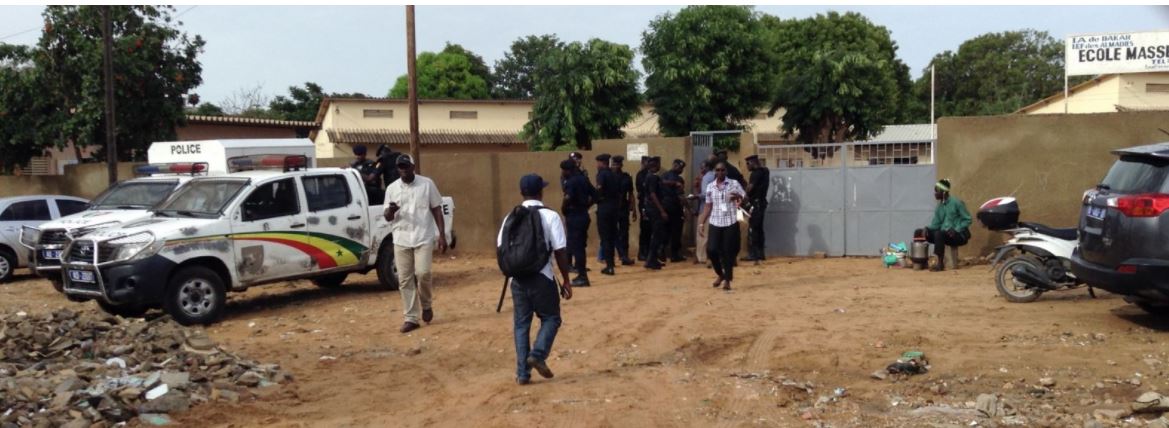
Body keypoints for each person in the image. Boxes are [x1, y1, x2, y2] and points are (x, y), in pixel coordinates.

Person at [497, 174, 573, 386]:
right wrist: (566, 280)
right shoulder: (550, 216)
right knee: (551, 318)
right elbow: (560, 251)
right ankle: (538, 354)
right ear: (541, 192)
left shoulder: (510, 217)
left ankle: (523, 374)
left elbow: (501, 249)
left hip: (517, 279)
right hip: (542, 277)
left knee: (521, 324)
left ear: (522, 192)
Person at [383, 154, 448, 333]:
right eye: (400, 167)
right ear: (398, 169)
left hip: (423, 236)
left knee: (423, 273)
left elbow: (436, 209)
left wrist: (441, 235)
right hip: (401, 238)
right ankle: (411, 318)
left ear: (413, 167)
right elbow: (387, 216)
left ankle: (426, 304)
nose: (403, 169)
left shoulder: (426, 184)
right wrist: (391, 210)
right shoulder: (392, 189)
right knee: (404, 279)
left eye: (406, 166)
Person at [699, 162, 747, 290]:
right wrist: (701, 222)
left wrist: (737, 196)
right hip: (715, 221)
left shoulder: (734, 183)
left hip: (730, 221)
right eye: (718, 170)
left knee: (727, 251)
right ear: (714, 171)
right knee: (712, 250)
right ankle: (720, 274)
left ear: (726, 171)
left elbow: (744, 197)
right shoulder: (710, 187)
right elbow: (708, 206)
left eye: (722, 170)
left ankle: (727, 280)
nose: (720, 172)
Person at [922, 179, 972, 272]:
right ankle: (921, 261)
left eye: (937, 191)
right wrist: (927, 229)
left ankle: (939, 263)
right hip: (944, 235)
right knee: (921, 232)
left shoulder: (957, 203)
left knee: (939, 234)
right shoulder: (939, 206)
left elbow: (968, 219)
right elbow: (936, 224)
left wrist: (956, 229)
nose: (935, 194)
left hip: (958, 235)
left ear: (944, 192)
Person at [561, 159, 594, 286]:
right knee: (580, 246)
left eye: (563, 170)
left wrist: (564, 209)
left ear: (567, 170)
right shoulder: (584, 179)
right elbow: (596, 195)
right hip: (583, 215)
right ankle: (581, 274)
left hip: (574, 216)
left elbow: (567, 198)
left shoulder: (571, 181)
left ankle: (582, 277)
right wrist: (586, 206)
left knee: (577, 248)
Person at [594, 154, 620, 276]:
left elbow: (599, 190)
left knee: (605, 237)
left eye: (597, 162)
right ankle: (611, 262)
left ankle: (609, 266)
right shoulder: (614, 174)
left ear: (601, 163)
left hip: (604, 208)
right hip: (614, 208)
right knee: (612, 236)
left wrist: (593, 199)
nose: (596, 165)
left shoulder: (602, 174)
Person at [642, 157, 669, 270]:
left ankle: (652, 259)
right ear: (656, 165)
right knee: (657, 234)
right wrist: (662, 210)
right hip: (654, 209)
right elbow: (653, 194)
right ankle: (651, 260)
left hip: (651, 208)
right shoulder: (652, 177)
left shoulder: (650, 177)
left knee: (657, 234)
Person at [743, 155, 770, 263]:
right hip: (761, 203)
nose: (747, 166)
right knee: (759, 229)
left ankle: (754, 254)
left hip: (756, 204)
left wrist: (744, 197)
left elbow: (750, 188)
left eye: (748, 164)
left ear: (753, 163)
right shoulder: (765, 171)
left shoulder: (756, 173)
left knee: (753, 229)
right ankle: (760, 254)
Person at [660, 159, 687, 262]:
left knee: (671, 231)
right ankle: (669, 254)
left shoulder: (670, 177)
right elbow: (680, 196)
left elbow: (681, 195)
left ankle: (669, 253)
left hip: (670, 207)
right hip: (670, 207)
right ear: (674, 165)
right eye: (680, 167)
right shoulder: (669, 177)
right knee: (671, 231)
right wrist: (674, 183)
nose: (681, 170)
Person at [612, 156, 636, 266]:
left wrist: (633, 208)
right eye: (614, 164)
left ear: (621, 165)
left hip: (623, 208)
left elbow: (631, 193)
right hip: (612, 208)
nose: (616, 166)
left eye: (618, 164)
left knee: (624, 232)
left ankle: (624, 255)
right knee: (613, 233)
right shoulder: (609, 176)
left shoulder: (626, 177)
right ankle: (618, 255)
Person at [694, 160, 717, 265]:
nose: (701, 170)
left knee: (702, 233)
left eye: (703, 167)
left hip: (705, 208)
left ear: (707, 167)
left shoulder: (706, 177)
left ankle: (702, 257)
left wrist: (695, 196)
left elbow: (705, 194)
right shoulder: (715, 175)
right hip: (715, 209)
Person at [635, 156, 652, 262]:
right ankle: (642, 253)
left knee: (650, 229)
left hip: (650, 205)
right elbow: (643, 189)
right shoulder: (641, 175)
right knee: (645, 229)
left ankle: (648, 252)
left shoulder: (650, 174)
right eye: (647, 162)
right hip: (644, 205)